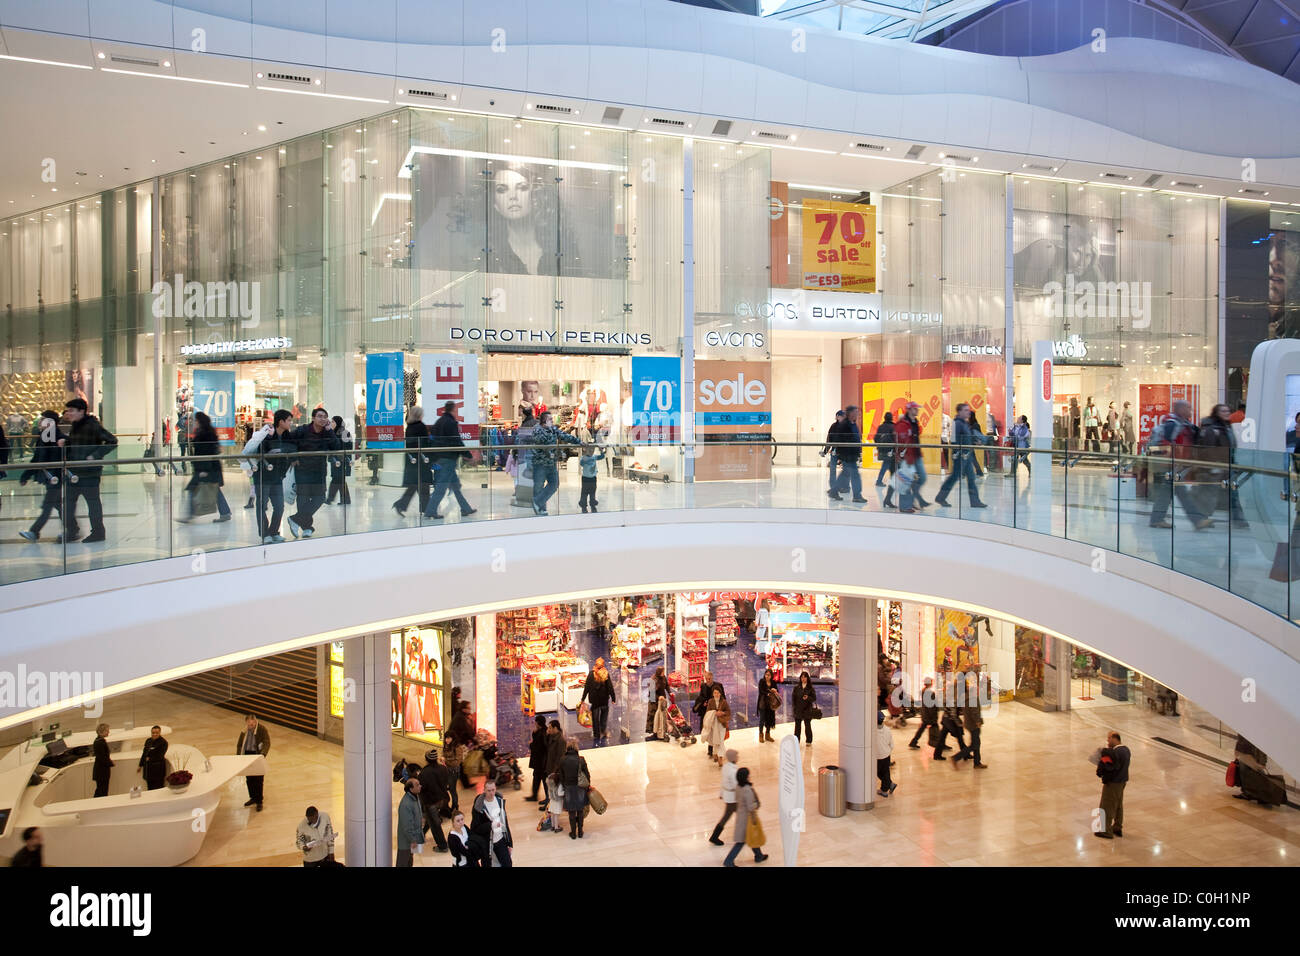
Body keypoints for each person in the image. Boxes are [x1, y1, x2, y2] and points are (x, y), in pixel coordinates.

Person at [59, 398, 117, 543]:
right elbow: (77, 444)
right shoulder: (76, 426)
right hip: (74, 472)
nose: (69, 413)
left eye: (72, 410)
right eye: (68, 410)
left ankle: (98, 532)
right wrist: (66, 443)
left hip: (89, 473)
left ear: (81, 411)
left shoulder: (92, 425)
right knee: (68, 503)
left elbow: (112, 441)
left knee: (92, 503)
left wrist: (95, 455)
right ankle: (72, 531)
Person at [1147, 399, 1210, 530]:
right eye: (1188, 408)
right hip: (1171, 466)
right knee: (1180, 494)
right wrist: (1176, 463)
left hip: (1175, 466)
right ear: (1180, 409)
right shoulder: (1173, 424)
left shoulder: (1184, 424)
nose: (1190, 411)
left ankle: (1157, 519)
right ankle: (1197, 520)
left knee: (1167, 493)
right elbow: (1168, 445)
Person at [285, 407, 342, 538]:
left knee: (320, 497)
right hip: (303, 471)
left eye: (325, 417)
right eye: (320, 416)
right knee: (303, 499)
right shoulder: (302, 430)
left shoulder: (327, 433)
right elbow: (289, 442)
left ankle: (295, 519)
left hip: (319, 471)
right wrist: (294, 458)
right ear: (313, 418)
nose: (323, 419)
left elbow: (336, 446)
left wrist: (330, 431)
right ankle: (307, 527)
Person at [243, 409, 294, 543]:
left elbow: (290, 453)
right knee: (262, 505)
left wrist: (283, 472)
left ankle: (274, 531)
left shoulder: (288, 436)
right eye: (288, 420)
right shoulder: (267, 435)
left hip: (277, 477)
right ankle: (265, 534)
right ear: (281, 421)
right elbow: (258, 452)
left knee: (279, 506)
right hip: (263, 476)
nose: (290, 423)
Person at [1196, 403, 1249, 528]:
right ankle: (1203, 517)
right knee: (1210, 493)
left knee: (1233, 493)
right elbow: (1209, 448)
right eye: (1223, 411)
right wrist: (1213, 465)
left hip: (1228, 464)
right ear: (1217, 413)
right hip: (1218, 465)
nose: (1226, 413)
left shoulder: (1227, 427)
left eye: (1227, 410)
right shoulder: (1213, 428)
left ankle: (1237, 518)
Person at [18, 410, 68, 542]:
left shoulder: (55, 436)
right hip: (50, 476)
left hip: (55, 477)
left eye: (43, 419)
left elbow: (67, 445)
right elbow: (37, 459)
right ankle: (73, 529)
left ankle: (35, 531)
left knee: (48, 505)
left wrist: (65, 442)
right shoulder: (45, 436)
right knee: (57, 505)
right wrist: (26, 475)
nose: (40, 422)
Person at [424, 401, 477, 519]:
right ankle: (430, 511)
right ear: (453, 410)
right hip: (448, 459)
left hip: (441, 458)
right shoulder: (451, 423)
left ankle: (465, 508)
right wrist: (468, 455)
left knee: (455, 486)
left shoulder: (439, 422)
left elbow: (433, 440)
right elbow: (456, 441)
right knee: (441, 487)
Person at [177, 411, 232, 523]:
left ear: (199, 421)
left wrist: (204, 470)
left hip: (206, 468)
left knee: (193, 488)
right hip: (209, 468)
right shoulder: (207, 432)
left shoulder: (204, 434)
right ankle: (225, 512)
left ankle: (190, 514)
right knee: (214, 489)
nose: (194, 423)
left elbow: (206, 453)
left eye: (195, 421)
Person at [935, 404, 986, 509]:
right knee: (954, 477)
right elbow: (954, 440)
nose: (968, 412)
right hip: (961, 456)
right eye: (966, 410)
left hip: (967, 455)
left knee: (971, 478)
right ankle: (941, 497)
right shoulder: (957, 423)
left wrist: (975, 442)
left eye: (968, 410)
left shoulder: (965, 423)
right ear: (959, 412)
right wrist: (956, 453)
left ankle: (975, 501)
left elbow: (967, 438)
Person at [529, 410, 579, 515]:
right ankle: (540, 509)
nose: (552, 421)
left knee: (554, 484)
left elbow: (565, 436)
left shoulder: (553, 429)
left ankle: (537, 502)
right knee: (538, 486)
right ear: (544, 421)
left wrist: (578, 442)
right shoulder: (537, 430)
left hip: (551, 462)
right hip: (540, 463)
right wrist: (552, 434)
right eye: (550, 419)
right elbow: (541, 440)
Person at [723, 768, 768, 866]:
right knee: (742, 841)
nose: (749, 776)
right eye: (748, 775)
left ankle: (759, 855)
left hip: (741, 816)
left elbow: (737, 799)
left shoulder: (738, 786)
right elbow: (750, 807)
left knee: (752, 837)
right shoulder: (747, 789)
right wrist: (757, 804)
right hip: (747, 818)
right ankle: (728, 861)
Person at [393, 405, 432, 517]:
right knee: (423, 485)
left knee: (414, 485)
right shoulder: (421, 426)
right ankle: (425, 509)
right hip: (421, 459)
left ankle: (401, 504)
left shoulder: (409, 427)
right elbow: (425, 443)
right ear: (419, 415)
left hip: (413, 460)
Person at [469, 779, 513, 867]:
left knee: (507, 863)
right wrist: (491, 825)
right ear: (484, 790)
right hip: (486, 842)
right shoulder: (479, 806)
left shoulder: (499, 801)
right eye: (489, 790)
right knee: (487, 864)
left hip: (500, 839)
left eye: (493, 790)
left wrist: (509, 843)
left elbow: (505, 822)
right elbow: (475, 828)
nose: (491, 793)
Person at [1094, 730, 1130, 838]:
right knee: (1118, 805)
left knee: (1107, 806)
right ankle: (1117, 827)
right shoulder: (1126, 750)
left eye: (1109, 738)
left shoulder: (1116, 752)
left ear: (1115, 738)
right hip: (1122, 781)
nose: (1107, 740)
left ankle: (1106, 831)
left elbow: (1111, 767)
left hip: (1113, 783)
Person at [895, 401, 929, 513]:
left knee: (922, 478)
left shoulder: (915, 423)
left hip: (916, 455)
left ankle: (911, 500)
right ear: (909, 410)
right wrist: (901, 455)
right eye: (915, 408)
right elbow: (901, 441)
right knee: (906, 481)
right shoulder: (903, 424)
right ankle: (905, 506)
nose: (917, 410)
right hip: (907, 457)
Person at [417, 750, 452, 854]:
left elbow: (421, 788)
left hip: (431, 802)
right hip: (443, 799)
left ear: (426, 759)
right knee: (431, 818)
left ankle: (442, 846)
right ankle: (422, 835)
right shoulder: (443, 768)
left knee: (435, 824)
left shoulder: (424, 772)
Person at [831, 405, 866, 503]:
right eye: (855, 412)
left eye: (857, 412)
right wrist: (841, 454)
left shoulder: (853, 424)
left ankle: (833, 491)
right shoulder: (845, 425)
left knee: (845, 474)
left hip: (852, 455)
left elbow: (856, 439)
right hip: (847, 455)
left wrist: (858, 451)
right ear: (850, 413)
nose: (857, 414)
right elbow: (839, 440)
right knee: (855, 475)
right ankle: (857, 496)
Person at [236, 714, 270, 811]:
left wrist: (263, 754)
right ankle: (253, 798)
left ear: (255, 722)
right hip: (247, 755)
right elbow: (239, 745)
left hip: (257, 756)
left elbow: (267, 742)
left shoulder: (262, 729)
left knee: (258, 780)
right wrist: (238, 756)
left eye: (251, 725)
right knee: (249, 779)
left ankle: (259, 801)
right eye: (248, 725)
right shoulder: (244, 730)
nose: (250, 727)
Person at [559, 737, 590, 840]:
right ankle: (580, 831)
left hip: (568, 787)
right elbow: (587, 775)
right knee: (580, 809)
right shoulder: (581, 759)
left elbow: (561, 775)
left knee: (571, 811)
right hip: (580, 787)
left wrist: (564, 785)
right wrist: (588, 786)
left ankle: (573, 833)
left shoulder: (563, 759)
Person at [579, 656, 615, 745]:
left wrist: (583, 699)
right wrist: (613, 698)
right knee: (603, 717)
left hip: (594, 701)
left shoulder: (591, 674)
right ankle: (603, 730)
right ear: (603, 665)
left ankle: (596, 734)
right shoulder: (605, 674)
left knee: (595, 719)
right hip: (604, 700)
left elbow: (586, 687)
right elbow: (610, 687)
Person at [707, 748, 740, 846]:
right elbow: (736, 785)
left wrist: (721, 793)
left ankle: (715, 836)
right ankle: (715, 837)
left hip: (728, 796)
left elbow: (723, 782)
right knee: (741, 815)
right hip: (733, 798)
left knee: (728, 816)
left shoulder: (726, 767)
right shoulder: (733, 771)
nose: (738, 757)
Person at [954, 678, 987, 769]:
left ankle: (977, 762)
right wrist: (978, 722)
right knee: (974, 744)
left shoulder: (965, 697)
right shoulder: (973, 699)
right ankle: (956, 757)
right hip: (973, 724)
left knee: (976, 742)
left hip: (968, 723)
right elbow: (974, 712)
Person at [396, 776, 424, 866]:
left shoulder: (415, 797)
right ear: (411, 789)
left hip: (413, 837)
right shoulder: (405, 805)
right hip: (406, 840)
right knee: (403, 862)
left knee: (409, 860)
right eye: (417, 785)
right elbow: (407, 827)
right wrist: (413, 839)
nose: (420, 786)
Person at [325, 416, 353, 505]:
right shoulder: (333, 433)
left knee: (337, 479)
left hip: (342, 460)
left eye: (333, 422)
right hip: (335, 460)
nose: (331, 423)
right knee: (339, 479)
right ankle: (344, 499)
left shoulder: (344, 433)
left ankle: (331, 499)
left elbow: (348, 447)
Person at [820, 409, 847, 497]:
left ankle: (845, 487)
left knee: (846, 469)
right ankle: (833, 488)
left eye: (843, 416)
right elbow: (829, 439)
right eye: (841, 416)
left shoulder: (847, 426)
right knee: (832, 471)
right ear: (837, 417)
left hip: (843, 451)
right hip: (835, 451)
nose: (843, 418)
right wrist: (825, 450)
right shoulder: (833, 426)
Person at [702, 686, 730, 764]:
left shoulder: (724, 702)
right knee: (715, 739)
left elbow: (728, 712)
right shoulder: (710, 701)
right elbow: (707, 712)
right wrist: (714, 713)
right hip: (713, 724)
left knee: (720, 740)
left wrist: (722, 713)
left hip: (722, 723)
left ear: (720, 694)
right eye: (715, 693)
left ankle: (720, 757)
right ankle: (715, 753)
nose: (716, 694)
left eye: (717, 693)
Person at [693, 670, 723, 744]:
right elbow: (701, 696)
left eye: (709, 679)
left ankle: (712, 747)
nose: (708, 680)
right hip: (705, 710)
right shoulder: (703, 685)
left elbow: (723, 698)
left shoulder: (718, 685)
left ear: (712, 678)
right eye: (706, 679)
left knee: (714, 729)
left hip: (714, 710)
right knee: (706, 728)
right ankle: (710, 746)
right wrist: (703, 703)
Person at [908, 677, 939, 748]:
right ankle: (940, 743)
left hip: (925, 713)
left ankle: (913, 742)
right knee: (936, 729)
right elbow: (931, 706)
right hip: (929, 715)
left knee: (922, 729)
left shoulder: (923, 690)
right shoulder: (930, 693)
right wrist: (933, 716)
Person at [874, 412, 897, 504]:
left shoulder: (880, 427)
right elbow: (896, 438)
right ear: (891, 418)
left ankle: (880, 481)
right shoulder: (893, 427)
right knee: (888, 465)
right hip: (890, 450)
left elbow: (876, 438)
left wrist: (879, 446)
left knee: (886, 465)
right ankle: (884, 482)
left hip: (882, 449)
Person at [524, 714, 548, 802]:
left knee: (543, 779)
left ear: (538, 723)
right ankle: (535, 795)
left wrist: (531, 744)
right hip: (540, 761)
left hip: (540, 761)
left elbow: (537, 747)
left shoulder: (541, 734)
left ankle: (546, 798)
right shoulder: (543, 731)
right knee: (538, 778)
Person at [138, 725, 168, 791]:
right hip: (148, 771)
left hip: (158, 770)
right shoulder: (148, 741)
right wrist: (140, 765)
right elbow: (144, 753)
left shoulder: (163, 742)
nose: (154, 734)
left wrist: (150, 759)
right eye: (153, 733)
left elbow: (160, 755)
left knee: (158, 788)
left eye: (156, 733)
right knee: (150, 788)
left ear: (160, 733)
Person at [578, 443, 606, 513]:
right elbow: (581, 464)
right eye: (589, 449)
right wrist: (584, 459)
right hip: (585, 479)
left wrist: (601, 450)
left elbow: (602, 456)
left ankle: (593, 505)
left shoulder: (594, 457)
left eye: (592, 449)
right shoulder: (584, 457)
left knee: (592, 492)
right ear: (586, 450)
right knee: (584, 493)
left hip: (593, 478)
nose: (591, 451)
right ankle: (584, 506)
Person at [790, 671, 817, 745]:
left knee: (807, 725)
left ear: (807, 678)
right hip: (798, 709)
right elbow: (793, 699)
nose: (803, 679)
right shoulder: (796, 688)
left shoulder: (810, 688)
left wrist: (808, 697)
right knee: (797, 726)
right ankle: (796, 741)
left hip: (807, 709)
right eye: (802, 677)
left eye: (805, 677)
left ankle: (809, 740)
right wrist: (794, 708)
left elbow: (814, 698)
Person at [875, 711, 897, 797]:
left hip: (878, 757)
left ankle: (885, 790)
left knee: (878, 773)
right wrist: (887, 751)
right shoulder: (887, 730)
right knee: (885, 772)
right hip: (887, 755)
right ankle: (889, 785)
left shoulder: (873, 732)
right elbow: (891, 744)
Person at [756, 668, 779, 743]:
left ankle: (767, 734)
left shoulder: (773, 682)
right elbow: (761, 691)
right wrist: (767, 693)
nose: (767, 676)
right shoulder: (762, 681)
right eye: (766, 674)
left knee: (769, 718)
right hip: (763, 703)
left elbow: (777, 690)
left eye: (768, 675)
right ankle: (760, 734)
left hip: (771, 703)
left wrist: (774, 690)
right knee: (762, 719)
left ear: (771, 676)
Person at [92, 723, 113, 797]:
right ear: (102, 732)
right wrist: (111, 763)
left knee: (100, 790)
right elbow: (102, 758)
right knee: (102, 791)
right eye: (107, 731)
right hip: (101, 772)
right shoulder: (100, 742)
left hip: (101, 771)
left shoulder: (99, 741)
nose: (108, 732)